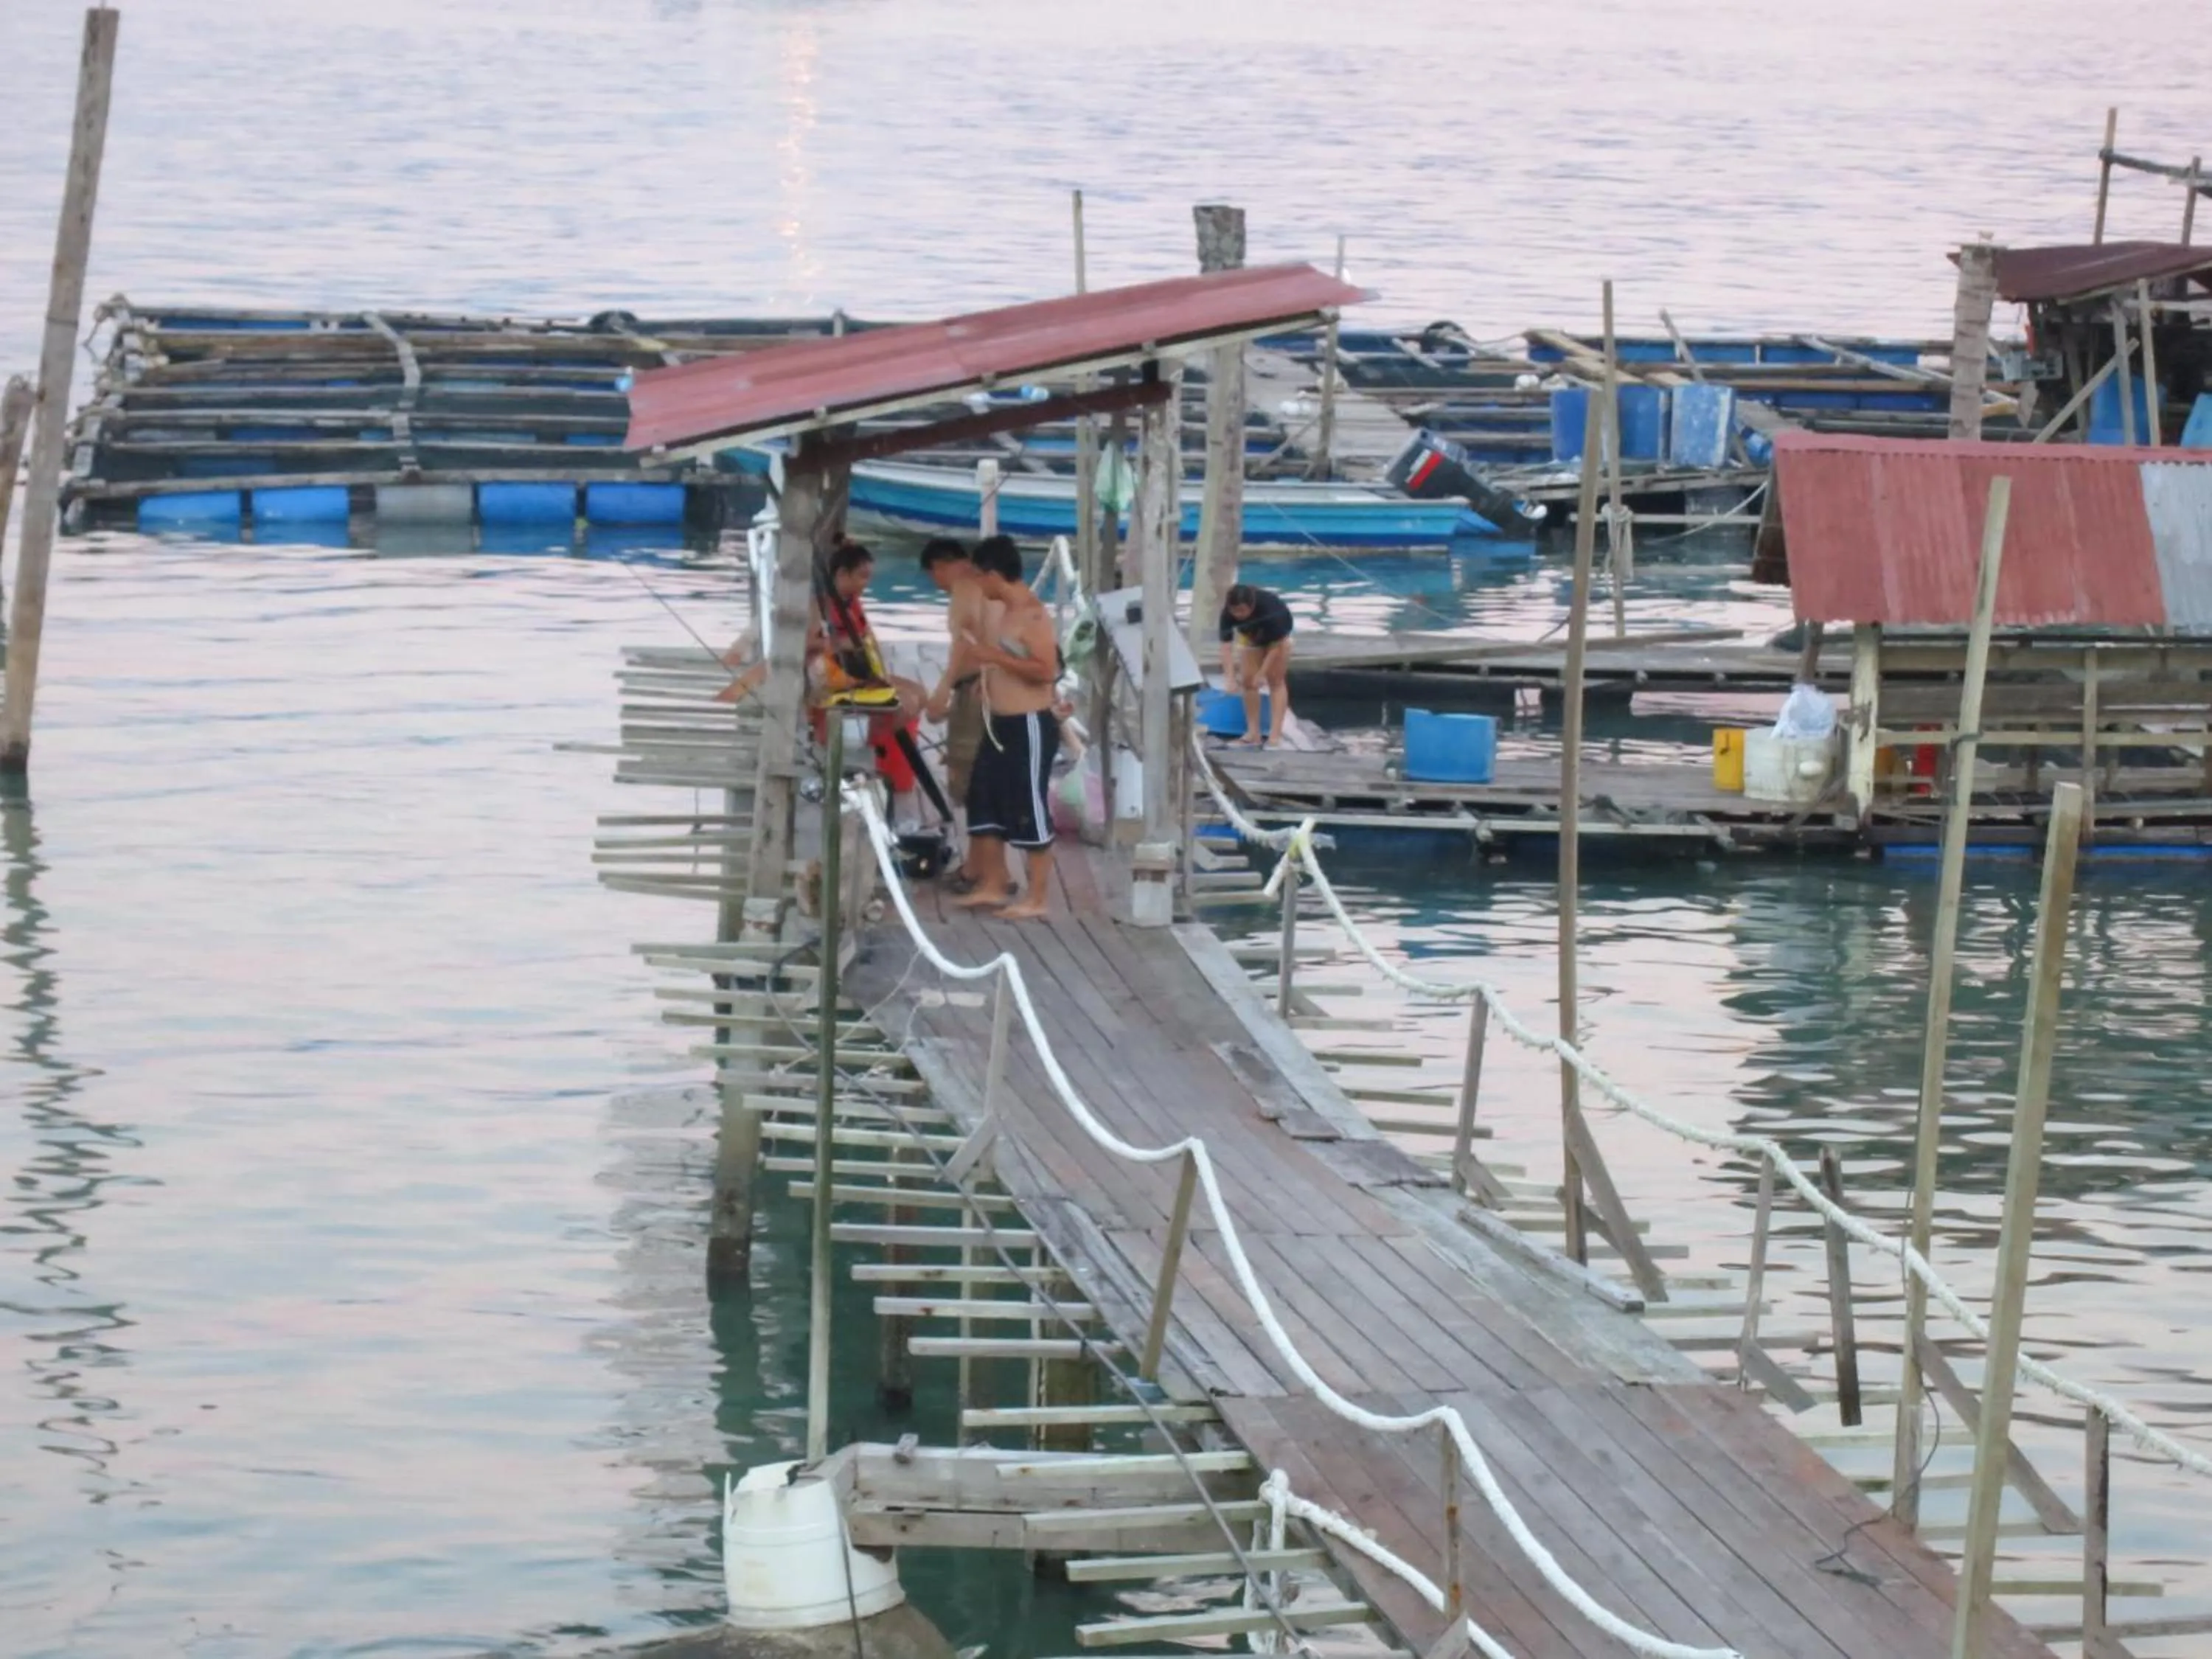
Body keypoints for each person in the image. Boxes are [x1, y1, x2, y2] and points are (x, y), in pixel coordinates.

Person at [953, 535, 1061, 919]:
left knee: (1028, 804)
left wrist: (993, 657)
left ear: (995, 576)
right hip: (998, 721)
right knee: (983, 796)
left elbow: (1046, 670)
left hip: (1028, 723)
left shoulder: (1032, 615)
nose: (979, 588)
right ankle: (994, 884)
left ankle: (1038, 897)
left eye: (981, 579)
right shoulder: (1005, 613)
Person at [918, 537, 998, 886]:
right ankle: (984, 866)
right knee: (982, 779)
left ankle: (980, 869)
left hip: (975, 689)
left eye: (934, 575)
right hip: (990, 686)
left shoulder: (965, 589)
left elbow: (963, 647)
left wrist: (942, 693)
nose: (937, 583)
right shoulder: (988, 589)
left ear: (942, 565)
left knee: (972, 780)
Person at [1218, 582, 1294, 747]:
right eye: (1235, 611)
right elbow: (1226, 647)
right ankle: (1254, 733)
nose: (1239, 615)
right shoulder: (1227, 614)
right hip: (1252, 638)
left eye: (1243, 611)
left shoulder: (1271, 609)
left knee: (1276, 681)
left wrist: (1262, 673)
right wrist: (1229, 677)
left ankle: (1275, 735)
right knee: (1248, 682)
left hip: (1278, 639)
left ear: (1252, 606)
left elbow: (1275, 647)